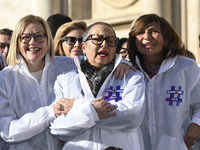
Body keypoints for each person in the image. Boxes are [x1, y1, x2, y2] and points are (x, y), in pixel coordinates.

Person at [50, 22, 146, 150]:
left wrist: (76, 107)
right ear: (83, 47)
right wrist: (93, 111)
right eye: (97, 39)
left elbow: (132, 117)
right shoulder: (65, 80)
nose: (104, 44)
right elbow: (58, 128)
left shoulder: (131, 76)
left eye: (110, 40)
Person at [0, 14, 77, 150]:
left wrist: (122, 64)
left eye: (39, 36)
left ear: (48, 40)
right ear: (17, 43)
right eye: (25, 37)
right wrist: (51, 112)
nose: (32, 42)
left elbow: (100, 63)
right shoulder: (5, 78)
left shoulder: (69, 66)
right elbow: (8, 131)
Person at [128, 13, 200, 150]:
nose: (147, 37)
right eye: (140, 32)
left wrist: (197, 124)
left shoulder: (186, 67)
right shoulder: (127, 71)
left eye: (154, 31)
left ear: (166, 37)